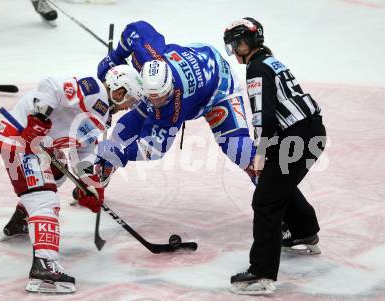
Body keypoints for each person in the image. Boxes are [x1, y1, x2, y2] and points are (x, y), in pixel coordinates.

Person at [0, 65, 143, 293]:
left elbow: (82, 152)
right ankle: (44, 266)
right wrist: (38, 118)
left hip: (40, 146)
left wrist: (89, 183)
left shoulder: (103, 117)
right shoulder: (91, 88)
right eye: (130, 100)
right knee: (45, 200)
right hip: (19, 139)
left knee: (57, 173)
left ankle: (21, 219)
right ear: (119, 91)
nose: (129, 106)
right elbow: (50, 85)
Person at [223, 18, 326, 294]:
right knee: (276, 184)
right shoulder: (271, 60)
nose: (235, 50)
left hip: (297, 138)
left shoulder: (256, 68)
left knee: (266, 200)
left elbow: (264, 119)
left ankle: (261, 274)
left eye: (236, 44)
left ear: (247, 42)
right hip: (312, 132)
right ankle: (303, 232)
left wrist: (260, 155)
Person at [93, 20, 255, 184]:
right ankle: (105, 167)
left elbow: (155, 149)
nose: (155, 103)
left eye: (160, 97)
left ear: (169, 88)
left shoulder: (174, 105)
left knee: (239, 151)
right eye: (150, 96)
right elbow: (136, 29)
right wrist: (116, 57)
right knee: (132, 122)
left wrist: (124, 153)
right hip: (195, 57)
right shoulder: (147, 59)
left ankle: (268, 180)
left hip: (219, 87)